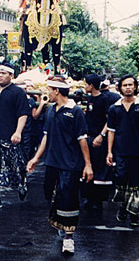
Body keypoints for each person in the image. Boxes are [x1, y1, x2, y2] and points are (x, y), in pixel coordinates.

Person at [27, 75, 93, 255]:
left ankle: (69, 237)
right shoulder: (50, 110)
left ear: (56, 91)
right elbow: (46, 136)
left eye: (49, 89)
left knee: (68, 199)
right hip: (52, 162)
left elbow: (82, 139)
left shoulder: (75, 111)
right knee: (51, 195)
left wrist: (88, 165)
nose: (48, 93)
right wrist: (36, 158)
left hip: (70, 164)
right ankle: (62, 225)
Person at [0, 62, 30, 210]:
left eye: (3, 73)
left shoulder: (18, 92)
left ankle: (22, 183)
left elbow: (23, 114)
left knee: (17, 166)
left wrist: (18, 132)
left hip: (11, 138)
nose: (0, 75)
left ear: (11, 75)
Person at [106, 74, 139, 227]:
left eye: (130, 85)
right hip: (120, 151)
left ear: (135, 87)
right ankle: (123, 207)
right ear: (120, 87)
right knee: (121, 181)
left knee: (138, 183)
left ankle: (134, 214)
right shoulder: (114, 108)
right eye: (125, 85)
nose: (128, 87)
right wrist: (109, 151)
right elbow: (111, 131)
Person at [82, 74, 113, 210]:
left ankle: (98, 200)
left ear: (92, 85)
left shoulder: (104, 99)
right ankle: (89, 197)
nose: (84, 87)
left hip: (99, 138)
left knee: (100, 169)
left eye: (86, 84)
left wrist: (101, 135)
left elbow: (109, 120)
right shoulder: (89, 99)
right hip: (89, 137)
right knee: (89, 167)